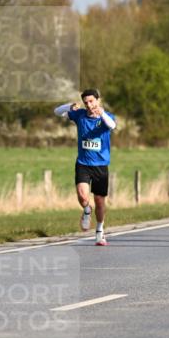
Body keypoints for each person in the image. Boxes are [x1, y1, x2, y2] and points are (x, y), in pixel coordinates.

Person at [55, 89, 117, 245]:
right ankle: (87, 210)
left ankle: (100, 230)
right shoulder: (80, 115)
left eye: (91, 101)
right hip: (83, 163)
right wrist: (69, 106)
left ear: (98, 100)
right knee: (83, 196)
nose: (89, 105)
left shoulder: (106, 117)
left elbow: (112, 125)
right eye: (86, 102)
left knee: (100, 201)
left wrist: (101, 113)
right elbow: (57, 112)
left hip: (101, 165)